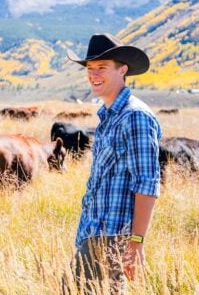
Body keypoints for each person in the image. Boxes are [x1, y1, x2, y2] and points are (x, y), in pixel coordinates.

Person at [65, 33, 162, 293]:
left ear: (123, 70)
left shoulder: (135, 116)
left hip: (112, 239)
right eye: (90, 68)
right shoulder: (109, 117)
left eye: (103, 67)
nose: (94, 74)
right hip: (93, 233)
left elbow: (147, 183)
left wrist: (136, 243)